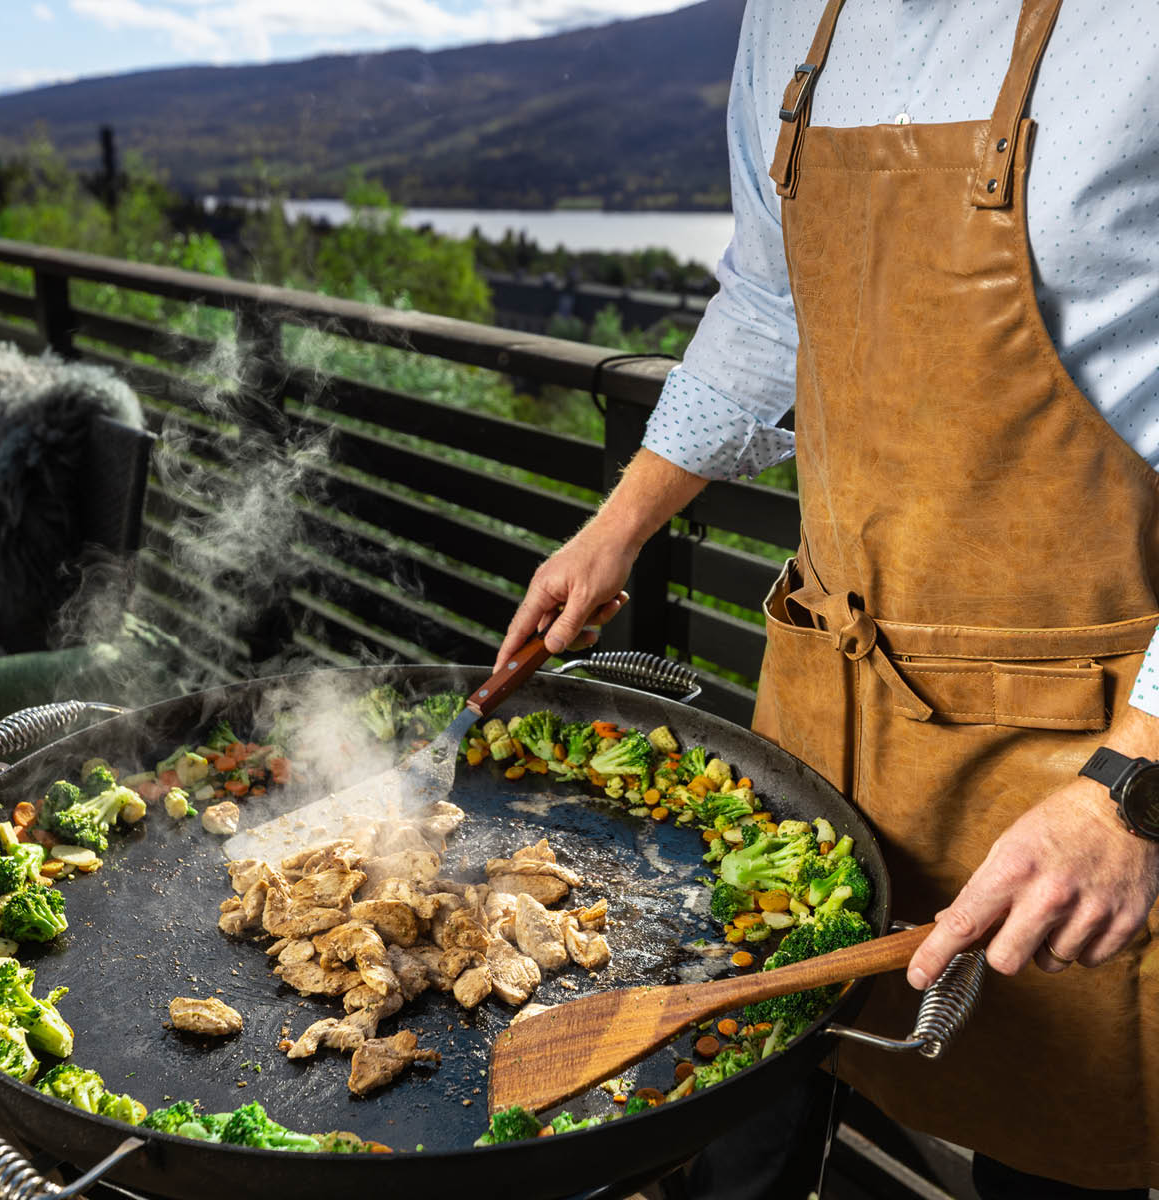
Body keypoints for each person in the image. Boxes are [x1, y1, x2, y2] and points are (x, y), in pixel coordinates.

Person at [495, 1, 1159, 1195]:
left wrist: (1133, 794)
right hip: (828, 712)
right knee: (756, 1091)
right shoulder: (795, 15)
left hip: (1080, 750)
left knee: (1052, 1144)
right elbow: (765, 297)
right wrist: (620, 524)